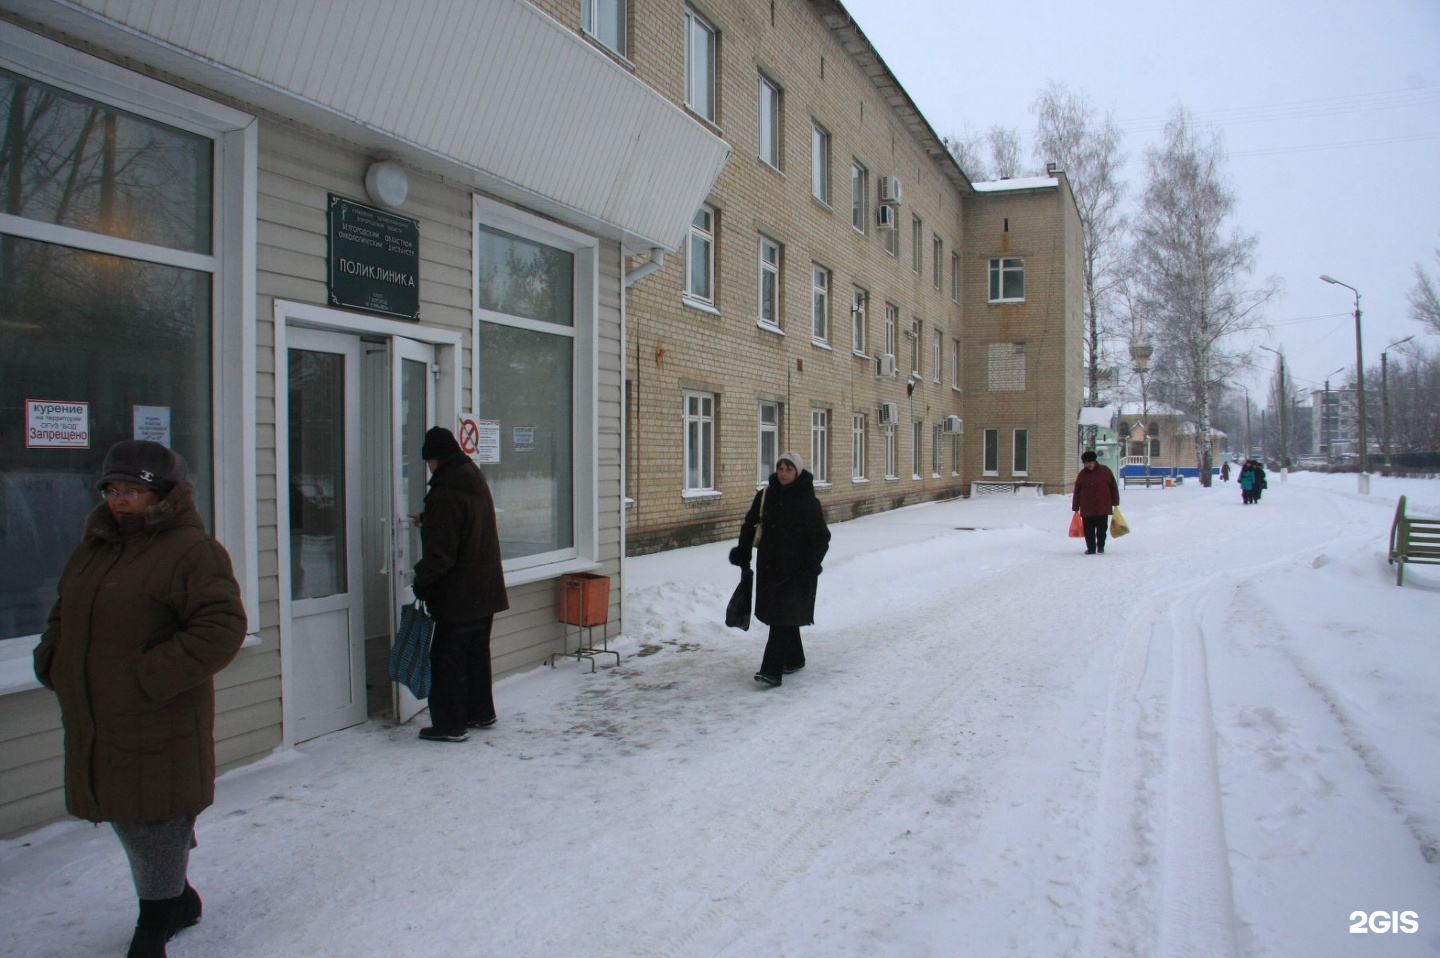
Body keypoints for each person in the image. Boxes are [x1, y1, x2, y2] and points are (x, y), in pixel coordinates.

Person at [34, 440, 246, 958]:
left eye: (134, 490)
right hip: (99, 714)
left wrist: (146, 677)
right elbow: (64, 612)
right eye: (112, 488)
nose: (120, 499)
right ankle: (178, 897)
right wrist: (53, 658)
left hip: (159, 712)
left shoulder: (191, 551)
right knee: (132, 811)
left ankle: (154, 923)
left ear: (163, 495)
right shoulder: (96, 548)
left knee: (154, 817)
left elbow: (221, 626)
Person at [410, 427, 508, 742]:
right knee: (475, 655)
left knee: (447, 659)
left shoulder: (445, 491)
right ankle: (481, 712)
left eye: (429, 461)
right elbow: (465, 522)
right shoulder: (472, 479)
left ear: (436, 458)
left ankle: (450, 724)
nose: (429, 467)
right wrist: (429, 518)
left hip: (459, 595)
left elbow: (441, 554)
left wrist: (421, 582)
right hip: (485, 590)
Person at [729, 451, 830, 687]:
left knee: (780, 618)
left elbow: (821, 537)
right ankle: (794, 658)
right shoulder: (765, 495)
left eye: (789, 468)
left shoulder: (807, 501)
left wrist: (812, 563)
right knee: (782, 616)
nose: (783, 473)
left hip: (797, 570)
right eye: (781, 467)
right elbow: (750, 524)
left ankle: (771, 671)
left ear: (798, 472)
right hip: (770, 566)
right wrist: (744, 551)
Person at [1070, 450, 1120, 555]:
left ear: (1094, 461)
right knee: (1089, 530)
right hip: (1087, 507)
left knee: (1102, 529)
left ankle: (1101, 546)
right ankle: (1091, 548)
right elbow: (1077, 491)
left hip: (1103, 506)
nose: (1087, 465)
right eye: (1085, 463)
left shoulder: (1105, 471)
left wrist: (1115, 501)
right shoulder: (1082, 475)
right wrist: (1075, 506)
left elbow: (1113, 487)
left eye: (1088, 463)